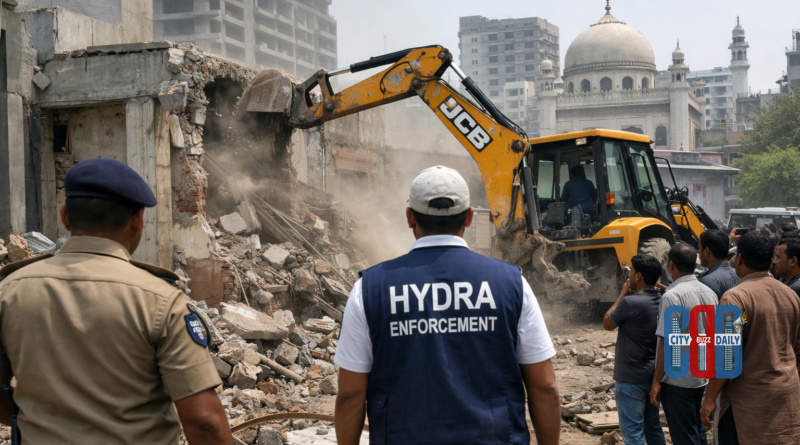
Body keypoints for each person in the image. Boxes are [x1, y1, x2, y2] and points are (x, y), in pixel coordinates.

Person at [0, 159, 231, 445]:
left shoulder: (9, 291)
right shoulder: (162, 301)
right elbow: (204, 422)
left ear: (65, 217)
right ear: (137, 220)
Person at [334, 165, 561, 445]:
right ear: (468, 217)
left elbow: (350, 394)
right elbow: (544, 387)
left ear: (409, 217)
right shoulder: (512, 284)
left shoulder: (368, 289)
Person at [700, 233, 800, 443]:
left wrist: (709, 398)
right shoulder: (790, 295)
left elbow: (727, 358)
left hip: (747, 404)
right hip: (786, 397)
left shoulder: (735, 298)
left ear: (740, 258)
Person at [649, 243, 717, 445]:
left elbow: (667, 343)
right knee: (697, 431)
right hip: (701, 375)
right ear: (695, 263)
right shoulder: (709, 293)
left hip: (678, 381)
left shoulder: (672, 296)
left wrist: (656, 381)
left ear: (671, 264)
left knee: (684, 436)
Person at [603, 255, 666, 445]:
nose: (628, 276)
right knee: (653, 428)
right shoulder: (663, 300)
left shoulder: (630, 303)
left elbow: (607, 323)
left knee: (633, 434)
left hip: (631, 378)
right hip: (654, 375)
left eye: (631, 271)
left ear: (638, 276)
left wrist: (622, 294)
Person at [698, 230, 740, 301]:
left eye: (699, 248)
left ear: (706, 251)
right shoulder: (739, 275)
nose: (698, 252)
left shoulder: (707, 282)